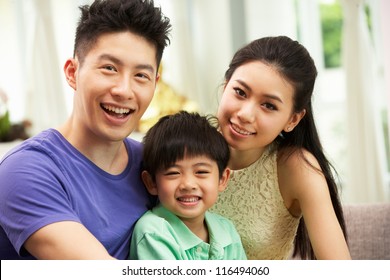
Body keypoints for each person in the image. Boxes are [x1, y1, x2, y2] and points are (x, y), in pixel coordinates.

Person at [0, 0, 171, 260]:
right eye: (109, 68)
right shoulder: (24, 171)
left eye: (141, 76)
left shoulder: (153, 164)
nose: (124, 90)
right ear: (72, 72)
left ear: (155, 83)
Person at [211, 36, 351, 260]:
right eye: (240, 92)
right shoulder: (187, 142)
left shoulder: (296, 168)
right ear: (226, 86)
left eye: (268, 105)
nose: (245, 114)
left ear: (293, 120)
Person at [129, 111, 246, 260]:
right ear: (151, 182)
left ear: (222, 179)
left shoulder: (226, 229)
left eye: (201, 171)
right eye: (173, 173)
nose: (188, 184)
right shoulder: (153, 232)